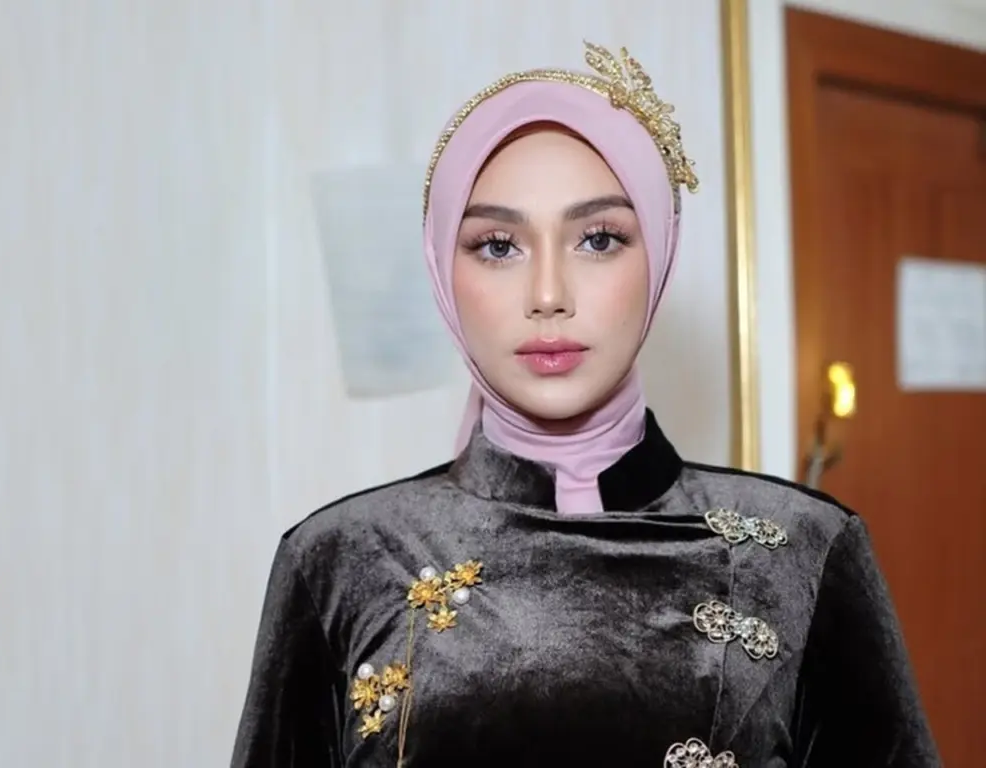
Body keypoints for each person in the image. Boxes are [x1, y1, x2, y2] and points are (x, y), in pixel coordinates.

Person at [230, 42, 939, 767]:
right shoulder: (338, 560)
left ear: (658, 256)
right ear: (443, 268)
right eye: (498, 245)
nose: (548, 294)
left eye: (598, 239)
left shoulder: (805, 550)